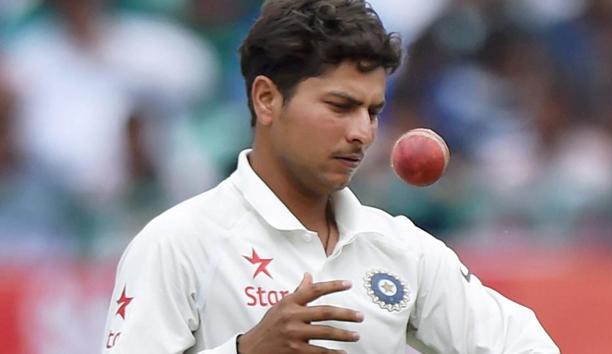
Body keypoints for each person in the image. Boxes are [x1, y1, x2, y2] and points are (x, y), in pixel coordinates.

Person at [102, 1, 560, 353]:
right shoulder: (177, 243)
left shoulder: (401, 249)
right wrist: (247, 350)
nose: (362, 132)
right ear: (266, 99)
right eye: (340, 106)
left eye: (373, 111)